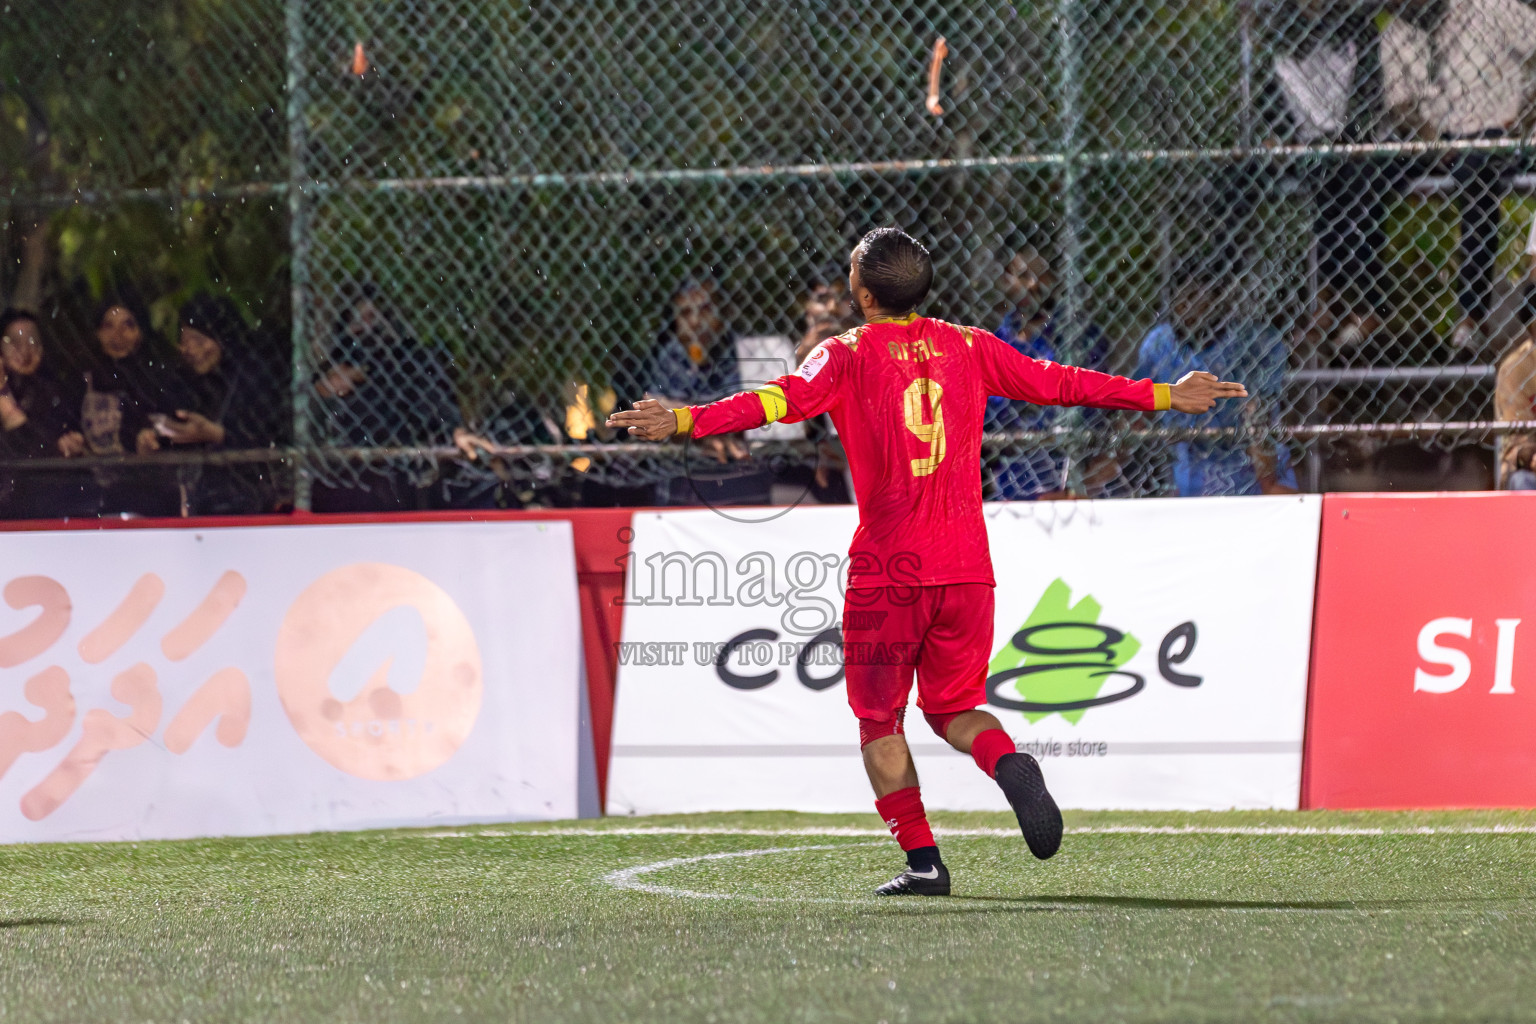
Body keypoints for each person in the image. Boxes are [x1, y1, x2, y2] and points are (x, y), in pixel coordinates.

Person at [608, 228, 1246, 896]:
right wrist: (1166, 394)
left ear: (860, 290)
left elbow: (778, 401)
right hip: (968, 566)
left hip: (890, 570)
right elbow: (1061, 383)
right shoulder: (970, 345)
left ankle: (923, 862)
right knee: (954, 708)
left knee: (879, 721)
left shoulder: (844, 354)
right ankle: (1006, 764)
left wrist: (685, 419)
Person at [310, 285, 488, 512]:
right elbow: (315, 418)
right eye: (357, 320)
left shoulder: (406, 362)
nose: (365, 327)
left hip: (400, 469)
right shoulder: (333, 369)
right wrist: (326, 393)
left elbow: (431, 399)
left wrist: (455, 429)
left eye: (372, 317)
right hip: (349, 469)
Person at [1133, 261, 1298, 496]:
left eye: (1194, 297)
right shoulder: (1160, 342)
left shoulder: (1252, 341)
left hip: (1246, 468)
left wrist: (1269, 484)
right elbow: (1140, 412)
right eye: (1179, 299)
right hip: (1189, 463)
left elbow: (1257, 413)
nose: (1184, 307)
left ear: (1217, 300)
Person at [984, 242, 1118, 500]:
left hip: (1074, 481)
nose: (1033, 284)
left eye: (1041, 274)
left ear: (1056, 278)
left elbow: (1102, 416)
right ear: (1005, 280)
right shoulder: (993, 346)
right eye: (1023, 276)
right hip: (1010, 490)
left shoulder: (1082, 339)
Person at [58, 293, 180, 517]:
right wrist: (70, 440)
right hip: (91, 496)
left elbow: (172, 425)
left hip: (147, 494)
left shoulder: (157, 379)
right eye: (108, 326)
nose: (118, 335)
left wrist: (153, 439)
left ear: (141, 333)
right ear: (97, 333)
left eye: (128, 325)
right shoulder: (79, 378)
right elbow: (64, 424)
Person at [163, 295, 284, 515]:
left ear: (223, 338)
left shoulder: (253, 376)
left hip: (248, 499)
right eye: (184, 341)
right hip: (197, 498)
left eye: (199, 341)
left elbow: (270, 436)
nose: (190, 350)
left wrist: (218, 435)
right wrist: (153, 438)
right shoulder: (184, 380)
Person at [0, 308, 87, 518]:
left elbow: (36, 454)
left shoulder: (57, 393)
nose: (24, 350)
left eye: (31, 341)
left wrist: (69, 445)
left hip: (43, 513)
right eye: (13, 342)